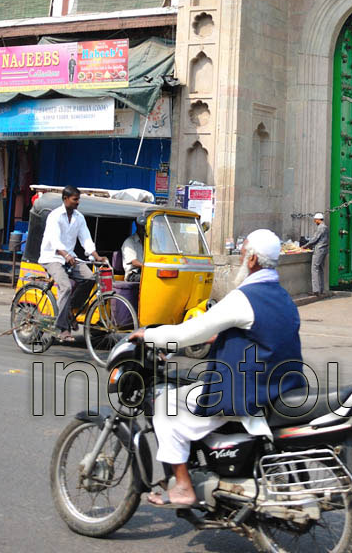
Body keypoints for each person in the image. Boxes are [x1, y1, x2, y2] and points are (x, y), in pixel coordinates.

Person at [135, 229, 303, 508]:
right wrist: (221, 336)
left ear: (251, 260)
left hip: (247, 391)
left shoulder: (245, 298)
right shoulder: (283, 297)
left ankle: (184, 488)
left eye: (242, 253)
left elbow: (190, 333)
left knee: (166, 406)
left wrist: (149, 335)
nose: (240, 259)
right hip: (280, 385)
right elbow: (262, 334)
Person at [39, 186, 109, 342]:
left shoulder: (79, 217)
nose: (78, 202)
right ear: (65, 199)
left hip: (70, 258)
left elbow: (85, 238)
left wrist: (97, 256)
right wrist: (65, 254)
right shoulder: (55, 216)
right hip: (52, 257)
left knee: (90, 278)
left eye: (79, 199)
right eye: (75, 199)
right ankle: (62, 328)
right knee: (66, 287)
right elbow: (54, 239)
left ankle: (69, 309)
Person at [304, 212, 329, 295]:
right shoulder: (325, 227)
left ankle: (316, 290)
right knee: (321, 269)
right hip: (324, 250)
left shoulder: (321, 228)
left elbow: (315, 239)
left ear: (318, 220)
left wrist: (305, 245)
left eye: (315, 220)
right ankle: (321, 289)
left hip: (319, 250)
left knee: (314, 269)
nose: (315, 222)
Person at [121, 217, 145, 282]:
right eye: (142, 226)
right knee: (149, 279)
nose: (144, 228)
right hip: (133, 274)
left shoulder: (149, 242)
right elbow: (135, 262)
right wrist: (148, 267)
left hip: (145, 272)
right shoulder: (129, 242)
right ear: (137, 225)